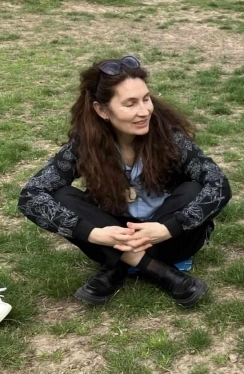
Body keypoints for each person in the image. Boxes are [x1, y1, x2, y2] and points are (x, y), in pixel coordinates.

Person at [17, 56, 231, 307]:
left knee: (194, 188)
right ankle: (163, 273)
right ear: (102, 110)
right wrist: (96, 234)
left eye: (146, 98)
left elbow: (219, 185)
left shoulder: (169, 136)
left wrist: (164, 229)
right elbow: (31, 195)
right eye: (130, 104)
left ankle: (117, 266)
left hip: (171, 239)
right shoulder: (86, 144)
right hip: (112, 236)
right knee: (61, 195)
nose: (144, 111)